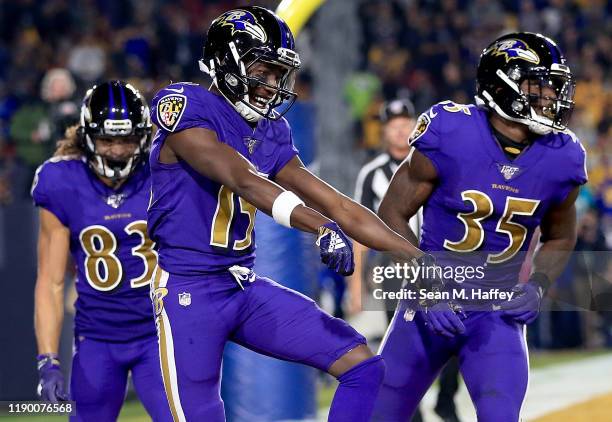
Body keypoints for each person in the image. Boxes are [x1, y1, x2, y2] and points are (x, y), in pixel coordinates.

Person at [147, 6, 426, 422]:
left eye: (279, 74)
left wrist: (417, 257)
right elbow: (243, 180)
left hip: (242, 286)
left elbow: (339, 205)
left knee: (362, 364)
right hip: (189, 288)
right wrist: (322, 228)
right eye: (264, 70)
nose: (272, 84)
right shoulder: (186, 105)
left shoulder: (271, 130)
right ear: (228, 62)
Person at [372, 32, 587, 421]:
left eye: (553, 87)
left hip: (496, 313)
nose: (550, 97)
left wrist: (538, 285)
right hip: (428, 303)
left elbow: (561, 234)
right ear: (502, 83)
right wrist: (423, 283)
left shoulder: (564, 156)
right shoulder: (452, 131)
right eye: (537, 85)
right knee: (375, 415)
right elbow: (391, 213)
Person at [32, 81, 171, 421]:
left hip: (162, 333)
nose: (119, 150)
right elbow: (50, 282)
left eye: (126, 139)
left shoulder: (163, 172)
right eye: (108, 139)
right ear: (87, 136)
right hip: (97, 337)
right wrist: (47, 359)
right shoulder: (60, 180)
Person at [352, 99, 462, 422]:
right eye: (393, 125)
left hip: (439, 263)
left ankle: (446, 398)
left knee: (454, 333)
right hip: (394, 269)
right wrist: (356, 286)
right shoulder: (371, 174)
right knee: (403, 348)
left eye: (405, 123)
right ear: (384, 131)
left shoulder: (436, 161)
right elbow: (361, 232)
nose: (400, 131)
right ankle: (413, 416)